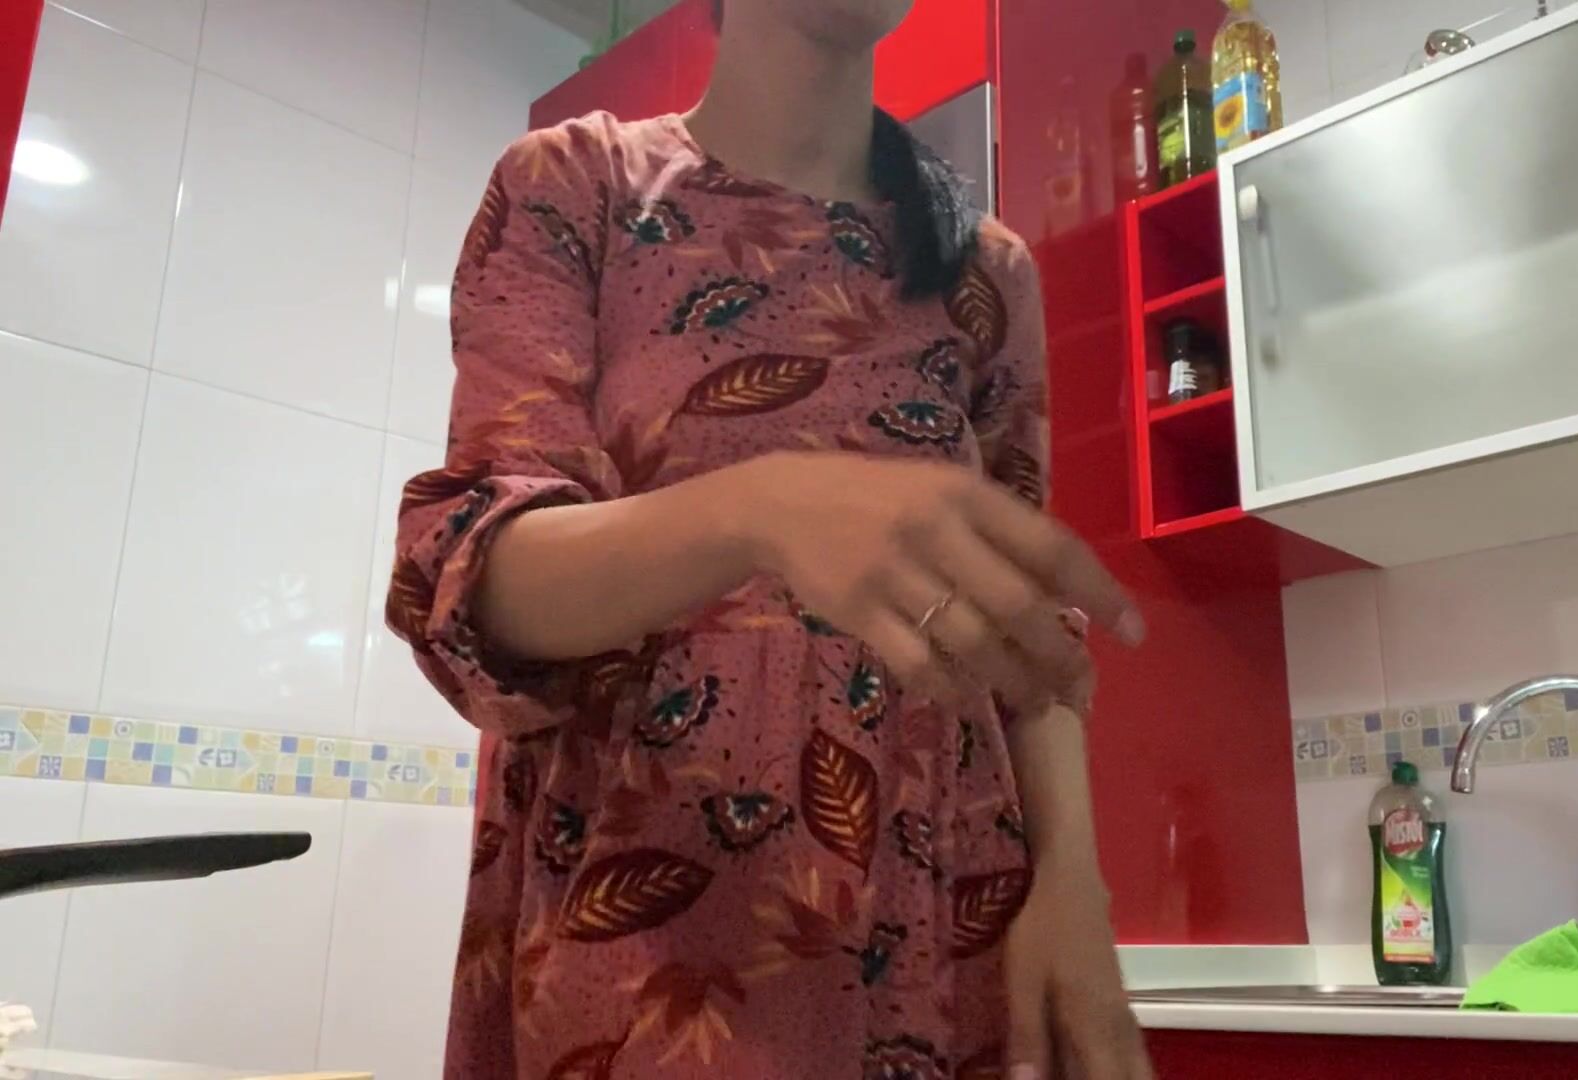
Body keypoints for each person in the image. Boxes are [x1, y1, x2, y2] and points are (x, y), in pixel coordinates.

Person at [387, 0, 1156, 1076]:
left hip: (945, 910)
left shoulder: (987, 271)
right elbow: (477, 581)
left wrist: (1074, 886)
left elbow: (1021, 626)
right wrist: (761, 510)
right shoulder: (577, 183)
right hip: (645, 938)